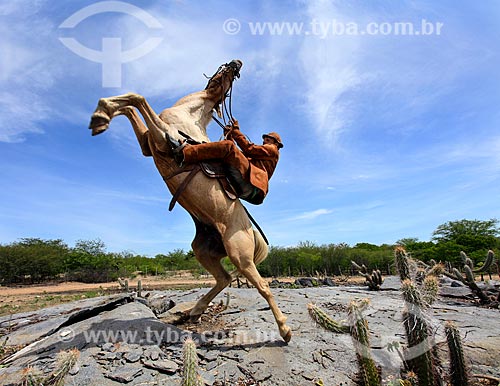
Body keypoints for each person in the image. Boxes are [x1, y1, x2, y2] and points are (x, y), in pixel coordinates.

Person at [168, 120, 283, 205]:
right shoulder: (262, 156)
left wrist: (236, 131)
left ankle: (183, 153)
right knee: (228, 147)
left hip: (253, 185)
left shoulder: (273, 149)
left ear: (276, 143)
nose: (264, 141)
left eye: (267, 139)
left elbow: (248, 149)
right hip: (251, 187)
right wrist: (230, 135)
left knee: (228, 146)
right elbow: (238, 155)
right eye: (264, 139)